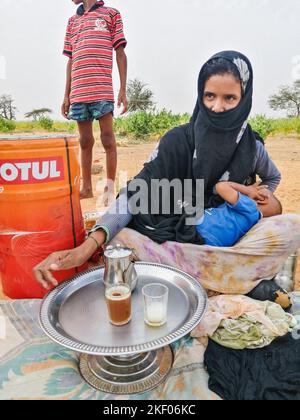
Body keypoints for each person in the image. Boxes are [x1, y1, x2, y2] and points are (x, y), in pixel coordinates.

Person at [34, 51, 300, 306]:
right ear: (200, 95)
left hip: (230, 241)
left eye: (229, 98)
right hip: (177, 238)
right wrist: (88, 245)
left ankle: (208, 281)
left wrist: (254, 196)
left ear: (244, 98)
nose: (217, 107)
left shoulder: (251, 148)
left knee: (290, 226)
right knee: (120, 239)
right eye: (210, 96)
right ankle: (239, 283)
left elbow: (272, 178)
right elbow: (135, 195)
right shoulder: (177, 141)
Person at [62, 0, 128, 200]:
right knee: (85, 141)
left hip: (102, 89)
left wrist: (122, 89)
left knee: (107, 138)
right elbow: (71, 60)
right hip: (79, 91)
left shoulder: (111, 14)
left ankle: (109, 188)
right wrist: (66, 95)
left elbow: (120, 53)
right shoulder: (73, 21)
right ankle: (87, 188)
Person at [195, 181, 282, 247]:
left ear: (262, 199)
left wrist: (246, 189)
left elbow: (221, 186)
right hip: (214, 243)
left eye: (257, 189)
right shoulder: (253, 221)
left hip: (202, 229)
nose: (253, 188)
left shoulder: (251, 207)